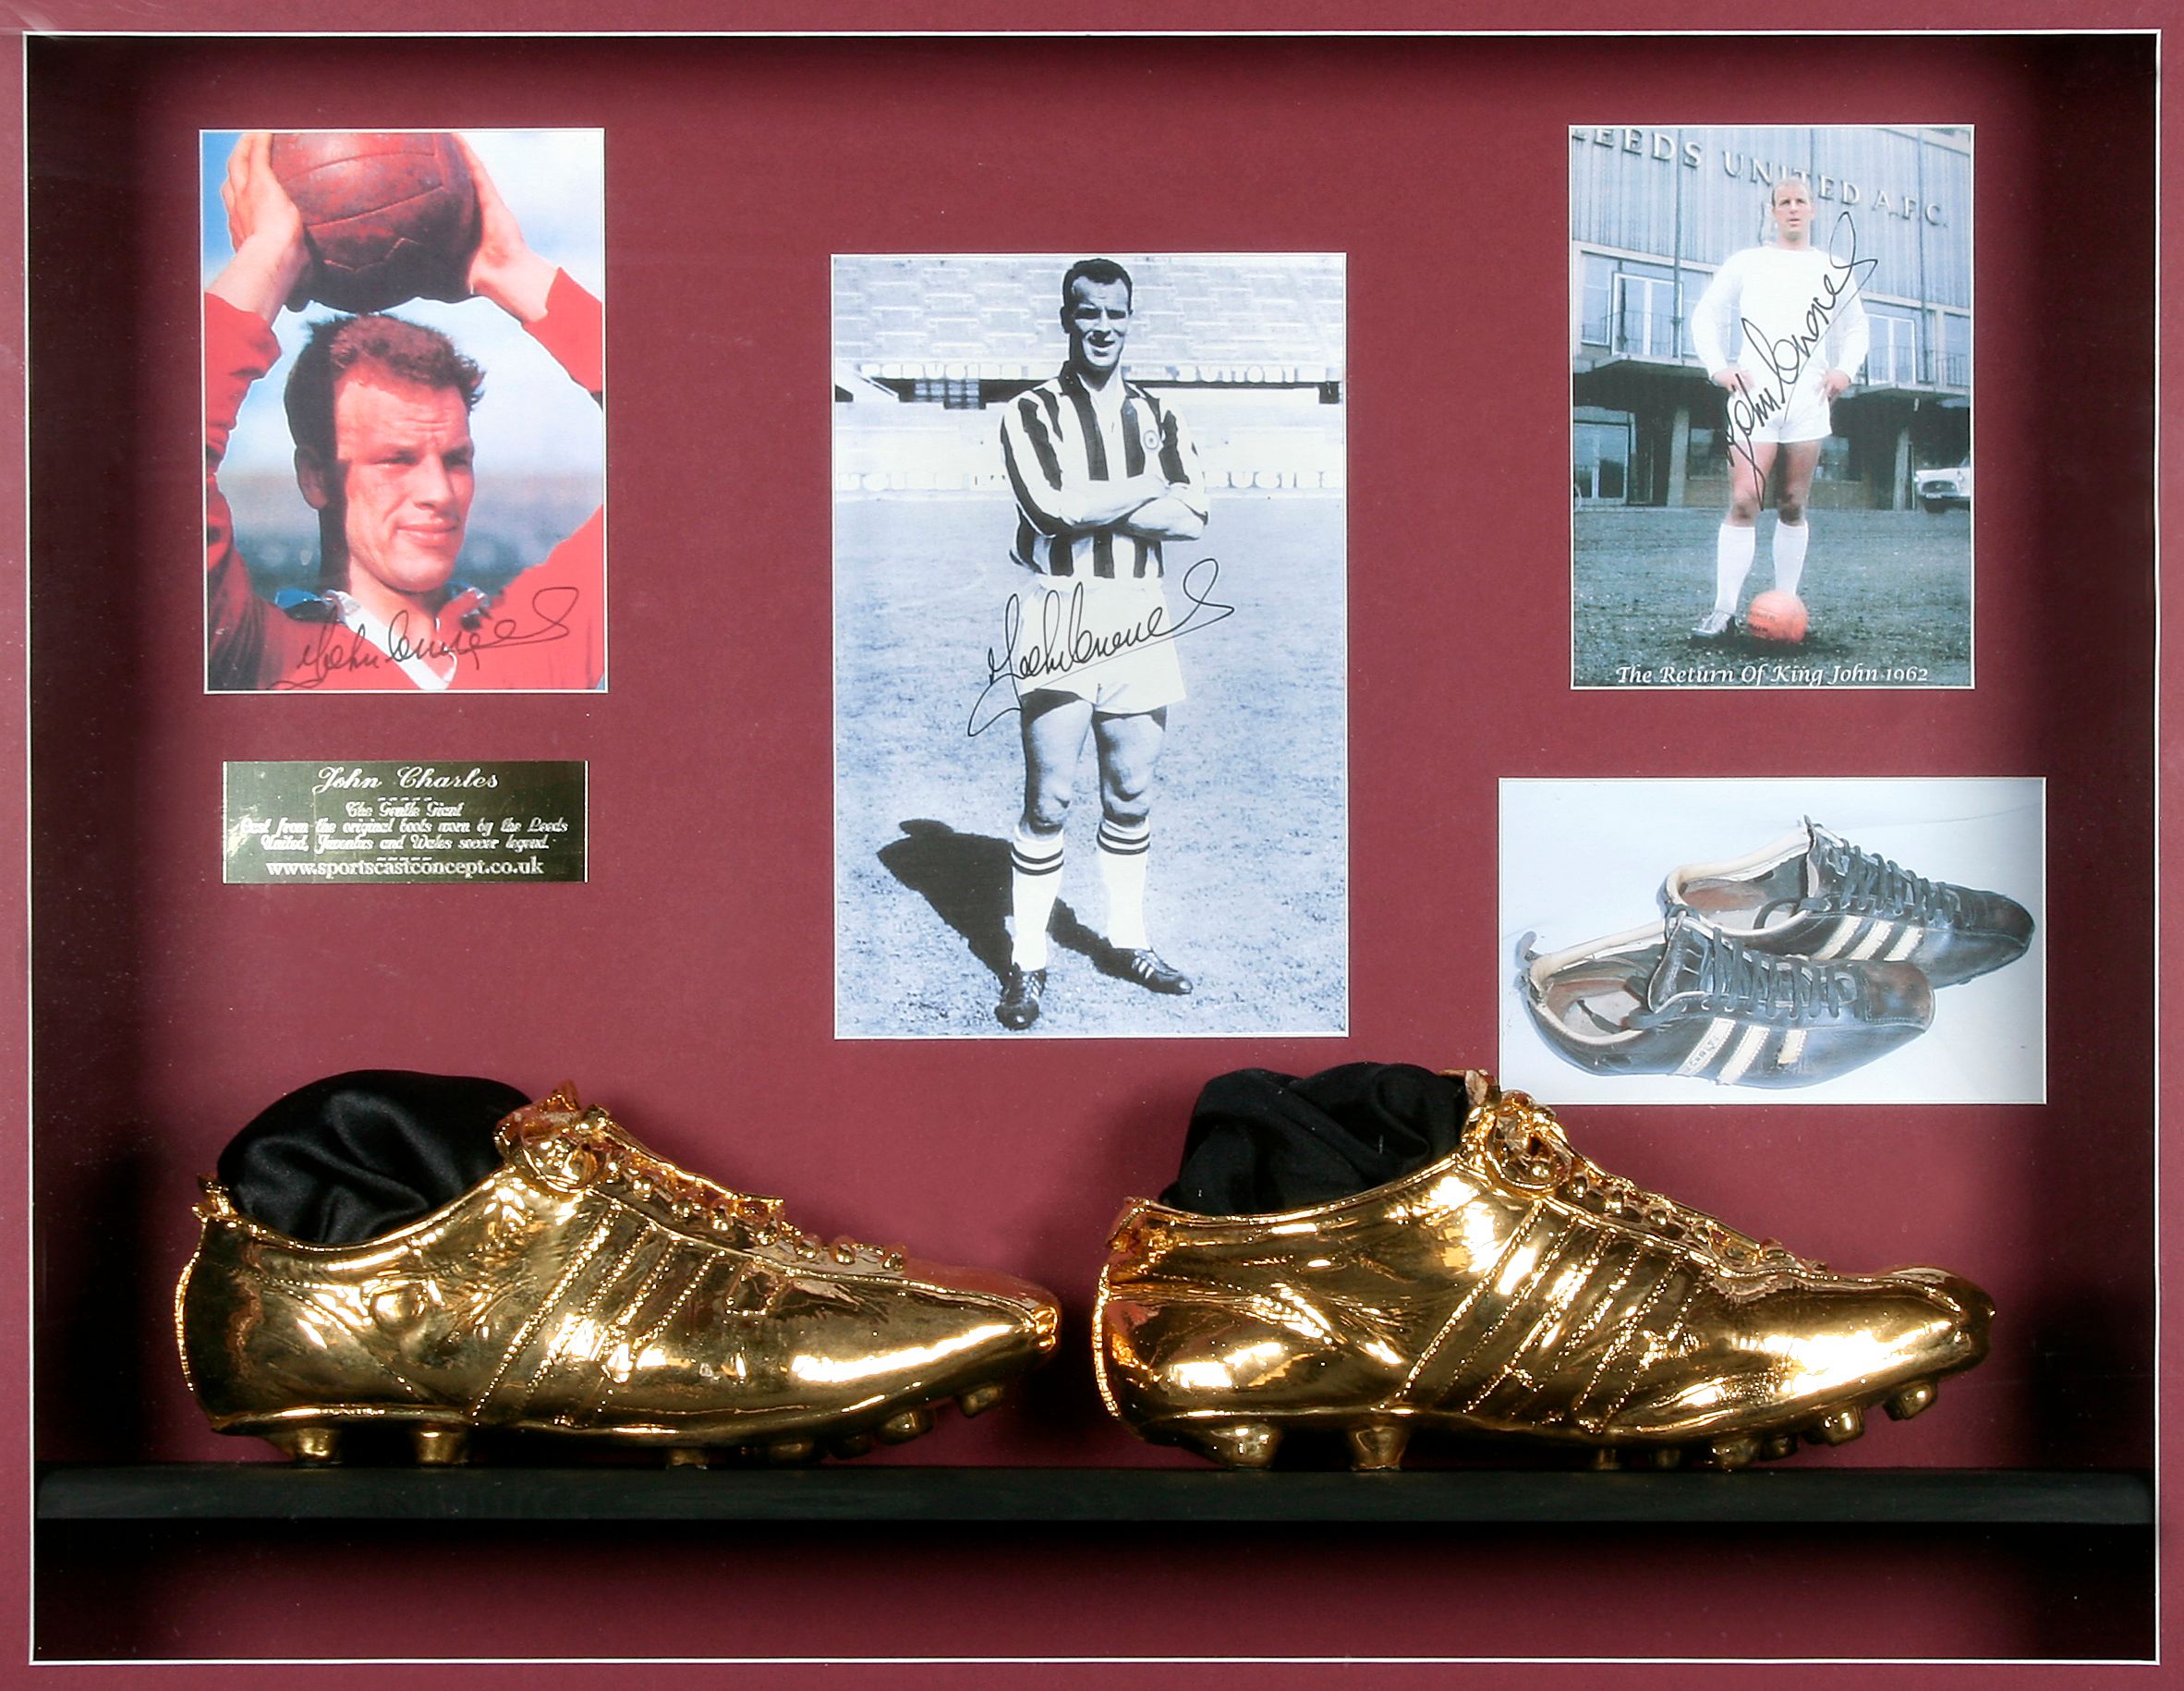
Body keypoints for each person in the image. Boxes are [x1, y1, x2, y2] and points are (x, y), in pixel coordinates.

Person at [204, 131, 603, 691]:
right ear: (315, 477)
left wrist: (509, 270)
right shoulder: (255, 654)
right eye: (396, 459)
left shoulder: (539, 641)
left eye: (457, 460)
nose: (439, 494)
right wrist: (267, 259)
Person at [990, 258, 1208, 1030]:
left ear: (1130, 319)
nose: (1103, 327)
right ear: (1067, 318)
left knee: (1131, 793)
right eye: (1089, 313)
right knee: (1049, 799)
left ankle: (1128, 942)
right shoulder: (1030, 412)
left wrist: (1102, 504)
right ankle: (1028, 960)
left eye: (1116, 314)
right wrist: (1148, 489)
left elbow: (1194, 517)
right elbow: (1052, 509)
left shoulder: (1160, 414)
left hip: (1141, 613)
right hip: (1061, 611)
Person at [1688, 175, 1869, 639]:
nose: (1792, 208)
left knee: (1792, 503)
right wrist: (1718, 367)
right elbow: (1707, 313)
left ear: (1812, 210)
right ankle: (1723, 611)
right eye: (1783, 201)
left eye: (1800, 201)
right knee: (1744, 499)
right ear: (1772, 212)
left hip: (1807, 400)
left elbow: (1856, 328)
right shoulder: (1747, 262)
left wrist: (1844, 370)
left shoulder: (1833, 267)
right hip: (1755, 396)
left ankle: (1786, 608)